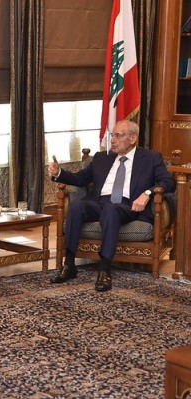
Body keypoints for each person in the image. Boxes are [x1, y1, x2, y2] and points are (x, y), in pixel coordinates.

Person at [48, 119, 176, 292]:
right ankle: (69, 264)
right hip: (100, 203)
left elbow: (168, 182)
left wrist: (147, 193)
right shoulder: (102, 158)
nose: (113, 140)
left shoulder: (150, 158)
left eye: (118, 136)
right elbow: (80, 179)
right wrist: (58, 173)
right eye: (112, 135)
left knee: (111, 210)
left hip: (128, 206)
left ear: (133, 138)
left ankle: (104, 268)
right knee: (77, 205)